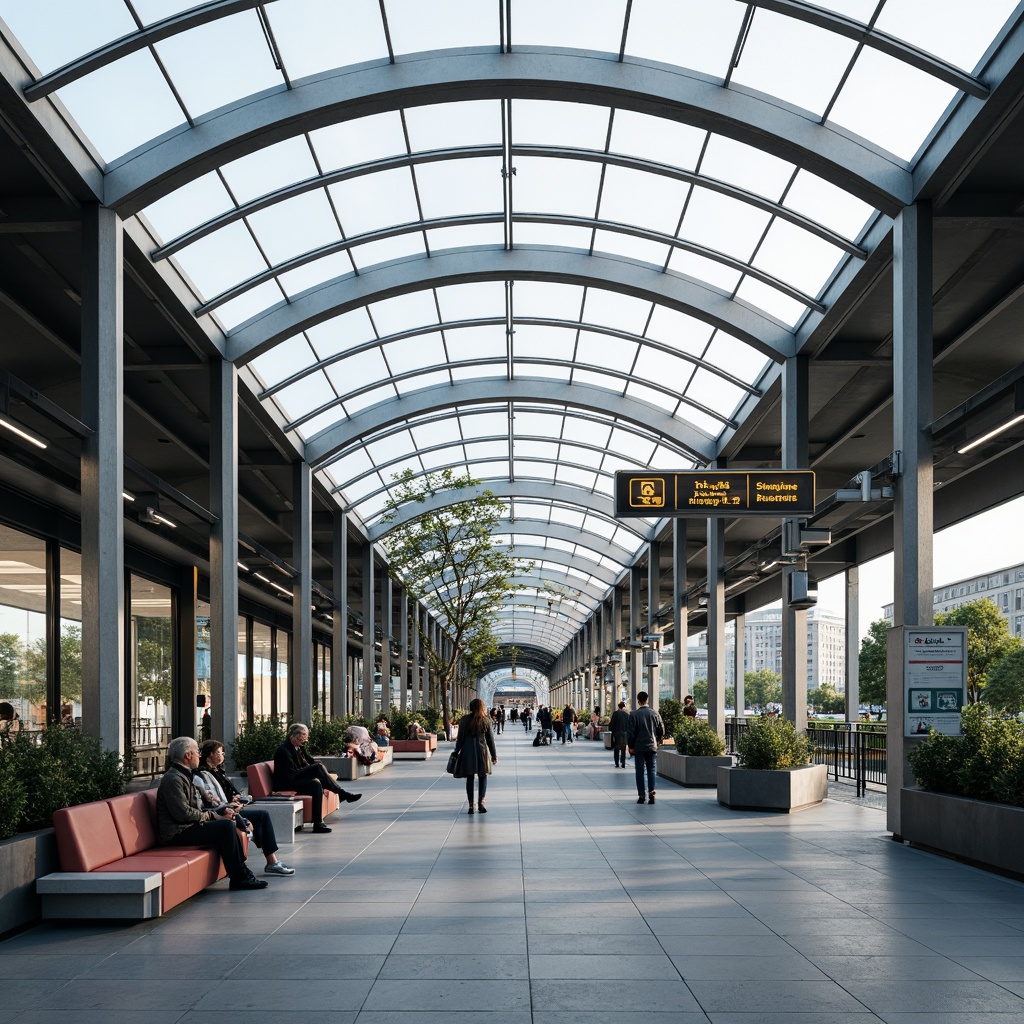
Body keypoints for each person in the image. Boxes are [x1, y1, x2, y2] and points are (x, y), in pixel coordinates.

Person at [156, 736, 267, 890]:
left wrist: (220, 810)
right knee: (225, 827)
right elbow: (183, 814)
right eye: (197, 752)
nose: (199, 755)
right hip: (177, 833)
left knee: (227, 820)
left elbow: (195, 809)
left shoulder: (185, 775)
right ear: (188, 755)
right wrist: (213, 815)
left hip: (187, 826)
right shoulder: (173, 779)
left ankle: (242, 872)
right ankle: (240, 877)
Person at [196, 739, 294, 876]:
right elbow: (213, 800)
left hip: (232, 806)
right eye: (219, 752)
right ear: (209, 755)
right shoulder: (203, 774)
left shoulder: (218, 771)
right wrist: (231, 803)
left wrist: (237, 799)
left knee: (262, 816)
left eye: (223, 752)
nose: (223, 755)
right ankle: (269, 862)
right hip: (224, 811)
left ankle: (272, 861)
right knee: (260, 817)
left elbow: (227, 793)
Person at [274, 722, 361, 834]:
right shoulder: (283, 750)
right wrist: (314, 768)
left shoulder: (298, 747)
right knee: (317, 769)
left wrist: (313, 762)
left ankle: (317, 823)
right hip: (286, 783)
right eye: (303, 735)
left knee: (316, 783)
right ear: (295, 735)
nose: (305, 738)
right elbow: (290, 774)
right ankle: (342, 794)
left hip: (295, 779)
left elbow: (310, 761)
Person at [453, 697, 497, 814]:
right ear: (482, 708)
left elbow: (460, 739)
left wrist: (456, 751)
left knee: (470, 777)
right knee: (483, 776)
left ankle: (471, 805)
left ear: (471, 708)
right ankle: (481, 802)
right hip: (481, 752)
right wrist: (494, 755)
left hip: (467, 752)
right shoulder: (486, 720)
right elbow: (490, 740)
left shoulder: (464, 720)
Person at [627, 692, 665, 804]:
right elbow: (661, 730)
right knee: (651, 769)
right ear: (647, 699)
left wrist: (631, 746)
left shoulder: (634, 714)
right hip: (652, 746)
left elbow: (630, 733)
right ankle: (652, 792)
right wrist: (657, 740)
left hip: (639, 747)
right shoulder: (655, 713)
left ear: (638, 700)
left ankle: (641, 795)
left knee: (639, 771)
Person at [609, 700, 630, 768]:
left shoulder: (615, 714)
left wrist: (612, 731)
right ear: (623, 707)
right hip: (624, 734)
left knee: (616, 748)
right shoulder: (627, 715)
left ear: (618, 707)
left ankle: (616, 762)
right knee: (623, 749)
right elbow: (629, 726)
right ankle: (623, 762)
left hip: (616, 733)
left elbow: (611, 724)